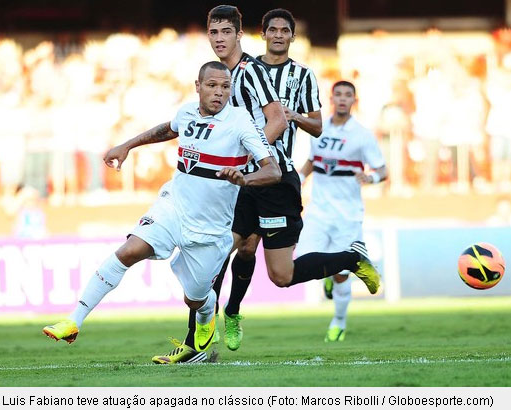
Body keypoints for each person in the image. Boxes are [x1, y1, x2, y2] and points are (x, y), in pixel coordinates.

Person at [166, 5, 380, 361]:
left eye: (225, 32)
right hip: (241, 181)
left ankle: (349, 258)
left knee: (281, 275)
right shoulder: (224, 75)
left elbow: (285, 120)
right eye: (213, 33)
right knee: (219, 253)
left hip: (274, 177)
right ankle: (200, 340)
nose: (219, 39)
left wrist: (252, 156)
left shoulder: (266, 73)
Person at [42, 61, 281, 365]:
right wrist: (126, 145)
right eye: (212, 86)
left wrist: (243, 178)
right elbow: (165, 130)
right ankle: (74, 321)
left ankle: (208, 313)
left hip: (209, 228)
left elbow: (272, 170)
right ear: (198, 86)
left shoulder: (241, 122)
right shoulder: (187, 112)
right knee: (130, 250)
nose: (219, 92)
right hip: (173, 206)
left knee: (194, 298)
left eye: (225, 87)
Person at [210, 7, 324, 350]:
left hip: (275, 172)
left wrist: (293, 117)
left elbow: (317, 127)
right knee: (229, 247)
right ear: (262, 35)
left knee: (251, 250)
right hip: (237, 175)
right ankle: (209, 321)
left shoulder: (301, 75)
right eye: (271, 29)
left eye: (283, 30)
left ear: (291, 36)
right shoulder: (230, 72)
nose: (277, 35)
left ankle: (232, 309)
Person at [296, 81, 387, 342]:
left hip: (348, 215)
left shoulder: (362, 135)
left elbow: (383, 170)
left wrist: (371, 179)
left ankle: (338, 322)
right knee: (300, 263)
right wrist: (299, 179)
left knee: (341, 275)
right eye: (339, 94)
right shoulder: (319, 129)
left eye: (348, 95)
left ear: (354, 100)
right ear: (332, 98)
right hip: (318, 212)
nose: (343, 99)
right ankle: (325, 273)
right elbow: (313, 161)